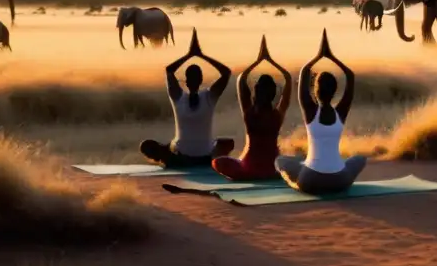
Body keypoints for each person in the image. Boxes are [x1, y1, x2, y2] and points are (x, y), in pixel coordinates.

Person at [274, 29, 367, 194]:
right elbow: (350, 76)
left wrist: (318, 56)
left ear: (315, 91)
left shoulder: (310, 111)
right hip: (339, 181)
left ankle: (298, 180)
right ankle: (327, 167)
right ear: (335, 91)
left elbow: (303, 75)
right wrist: (331, 56)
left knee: (280, 161)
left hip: (311, 181)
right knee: (360, 159)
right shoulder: (341, 113)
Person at [140, 28, 235, 168]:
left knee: (227, 142)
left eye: (195, 77)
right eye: (191, 77)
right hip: (193, 155)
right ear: (186, 80)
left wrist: (199, 55)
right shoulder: (184, 97)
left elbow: (226, 73)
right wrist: (192, 54)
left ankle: (169, 150)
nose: (193, 80)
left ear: (200, 79)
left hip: (195, 156)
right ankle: (170, 149)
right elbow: (169, 71)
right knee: (146, 145)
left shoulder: (204, 96)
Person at [212, 35, 292, 181]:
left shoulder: (249, 113)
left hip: (249, 168)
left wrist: (258, 60)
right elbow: (288, 79)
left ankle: (252, 174)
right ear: (273, 94)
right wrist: (271, 61)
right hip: (271, 168)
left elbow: (241, 80)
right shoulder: (277, 115)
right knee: (290, 162)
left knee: (218, 161)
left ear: (256, 91)